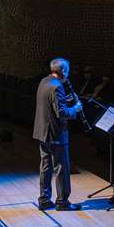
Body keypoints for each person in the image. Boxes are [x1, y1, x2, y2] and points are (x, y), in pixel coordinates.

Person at [33, 58, 84, 211]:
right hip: (55, 134)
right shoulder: (57, 87)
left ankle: (44, 200)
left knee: (45, 166)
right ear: (62, 71)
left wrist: (65, 100)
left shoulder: (44, 82)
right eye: (67, 70)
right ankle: (63, 202)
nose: (68, 74)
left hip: (42, 133)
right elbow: (61, 113)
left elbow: (51, 104)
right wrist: (75, 108)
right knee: (61, 168)